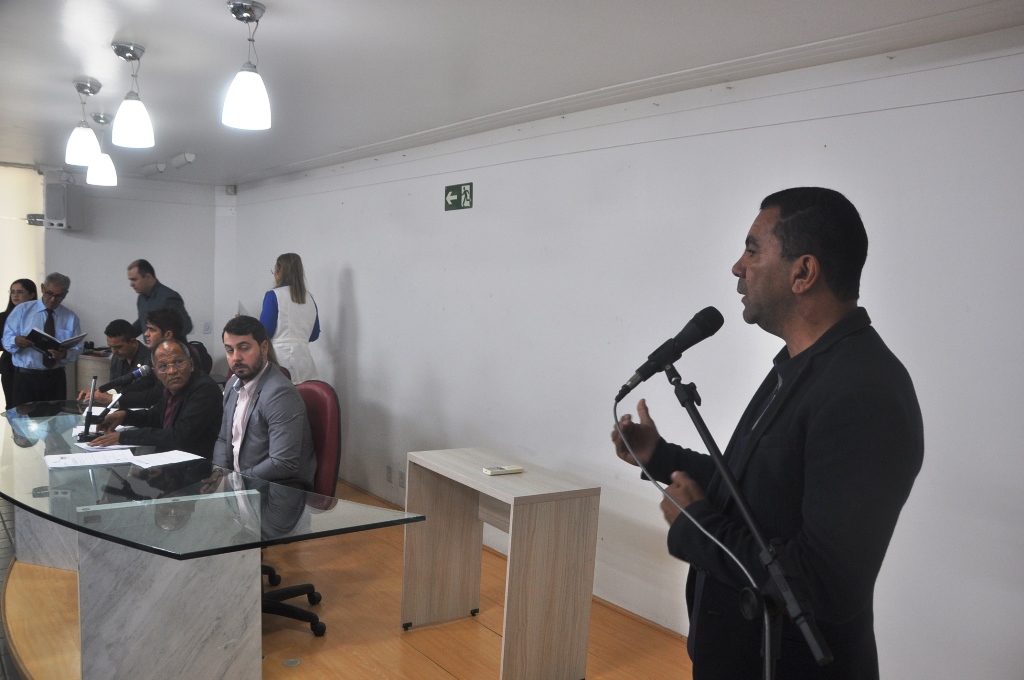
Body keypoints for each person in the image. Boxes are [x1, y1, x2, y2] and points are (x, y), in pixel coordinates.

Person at [611, 188, 924, 679]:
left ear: (803, 272)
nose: (738, 267)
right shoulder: (802, 367)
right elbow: (755, 487)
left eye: (753, 250)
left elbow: (824, 583)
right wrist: (661, 456)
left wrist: (699, 526)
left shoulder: (863, 394)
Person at [213, 315, 316, 489]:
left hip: (275, 491)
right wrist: (218, 473)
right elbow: (223, 439)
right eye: (230, 350)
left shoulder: (280, 394)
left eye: (244, 348)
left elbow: (282, 463)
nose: (236, 357)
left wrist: (235, 481)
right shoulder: (232, 384)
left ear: (264, 348)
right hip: (241, 488)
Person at [92, 339, 223, 459]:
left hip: (198, 465)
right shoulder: (170, 386)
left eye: (178, 362)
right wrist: (124, 416)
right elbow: (156, 416)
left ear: (191, 364)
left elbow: (180, 436)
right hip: (171, 459)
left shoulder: (204, 389)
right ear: (156, 373)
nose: (172, 371)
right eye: (163, 366)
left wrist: (124, 437)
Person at [1, 273, 83, 408]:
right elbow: (6, 339)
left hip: (55, 378)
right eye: (49, 293)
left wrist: (65, 354)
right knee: (22, 418)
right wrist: (16, 341)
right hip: (26, 377)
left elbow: (78, 348)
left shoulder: (70, 317)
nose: (52, 299)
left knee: (56, 417)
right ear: (42, 288)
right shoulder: (22, 310)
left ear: (66, 294)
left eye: (59, 296)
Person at [259, 253, 320, 383]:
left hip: (279, 359)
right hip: (305, 360)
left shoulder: (273, 295)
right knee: (304, 393)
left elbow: (264, 332)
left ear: (279, 272)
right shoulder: (309, 298)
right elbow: (314, 334)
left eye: (274, 270)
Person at [76, 319, 155, 407]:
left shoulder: (151, 359)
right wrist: (97, 393)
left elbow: (139, 390)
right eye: (111, 347)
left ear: (132, 342)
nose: (114, 352)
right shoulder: (117, 357)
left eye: (118, 347)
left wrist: (106, 396)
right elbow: (114, 385)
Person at [127, 258, 193, 337]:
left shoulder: (169, 297)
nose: (131, 284)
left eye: (134, 279)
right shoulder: (141, 299)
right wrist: (123, 337)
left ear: (148, 277)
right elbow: (143, 322)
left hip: (169, 344)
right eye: (130, 280)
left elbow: (187, 326)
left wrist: (164, 338)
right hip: (153, 345)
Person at [1, 279, 37, 410]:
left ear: (31, 294)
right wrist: (14, 341)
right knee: (13, 406)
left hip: (34, 365)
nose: (15, 295)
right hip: (10, 365)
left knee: (36, 406)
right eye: (12, 292)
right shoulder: (3, 317)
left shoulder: (39, 316)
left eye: (20, 292)